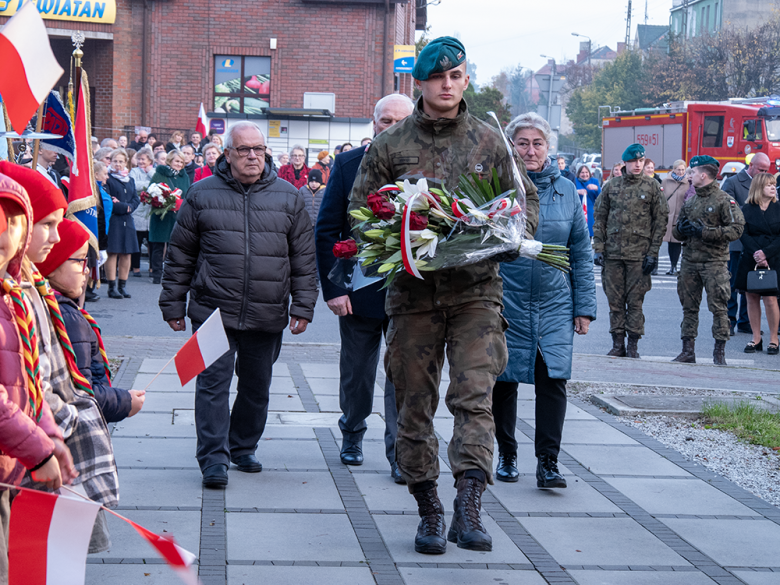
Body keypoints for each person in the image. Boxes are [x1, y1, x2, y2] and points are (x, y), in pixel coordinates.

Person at [348, 36, 539, 554]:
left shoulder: (489, 140)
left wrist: (503, 236)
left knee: (474, 397)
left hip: (477, 293)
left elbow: (523, 205)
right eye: (437, 78)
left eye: (455, 76)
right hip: (413, 296)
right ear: (421, 84)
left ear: (466, 80)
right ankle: (428, 507)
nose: (447, 85)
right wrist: (398, 236)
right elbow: (360, 213)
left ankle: (470, 506)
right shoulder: (389, 147)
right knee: (413, 402)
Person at [160, 121, 317, 489]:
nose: (252, 156)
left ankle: (243, 445)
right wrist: (173, 304)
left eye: (258, 150)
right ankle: (214, 458)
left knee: (256, 386)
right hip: (212, 311)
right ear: (227, 154)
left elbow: (304, 258)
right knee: (212, 385)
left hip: (267, 310)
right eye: (243, 150)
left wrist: (303, 305)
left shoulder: (288, 197)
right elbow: (180, 254)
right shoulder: (200, 194)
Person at [492, 112, 596, 487]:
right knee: (504, 379)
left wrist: (584, 307)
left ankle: (548, 461)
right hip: (507, 299)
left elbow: (581, 251)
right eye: (522, 143)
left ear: (548, 147)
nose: (530, 150)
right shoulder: (498, 186)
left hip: (555, 302)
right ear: (512, 147)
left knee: (553, 380)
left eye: (537, 143)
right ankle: (506, 453)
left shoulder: (567, 190)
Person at [315, 93, 414, 482]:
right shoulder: (348, 164)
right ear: (373, 124)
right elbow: (326, 230)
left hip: (410, 292)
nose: (391, 128)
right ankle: (352, 432)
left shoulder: (425, 167)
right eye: (384, 121)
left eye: (400, 121)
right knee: (357, 372)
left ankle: (398, 451)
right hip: (358, 290)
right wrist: (333, 289)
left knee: (403, 375)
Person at [0, 174, 75, 580]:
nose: (5, 234)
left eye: (14, 222)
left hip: (11, 464)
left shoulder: (11, 297)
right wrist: (40, 450)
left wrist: (51, 436)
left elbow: (29, 379)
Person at [592, 144, 667, 358]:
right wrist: (598, 247)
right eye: (634, 161)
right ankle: (618, 344)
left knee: (635, 302)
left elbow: (660, 221)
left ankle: (633, 345)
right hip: (613, 254)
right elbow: (600, 218)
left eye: (641, 161)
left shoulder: (652, 186)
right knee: (615, 301)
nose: (638, 165)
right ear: (625, 163)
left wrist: (653, 253)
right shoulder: (611, 186)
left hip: (639, 255)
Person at [672, 156, 744, 365]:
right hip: (690, 262)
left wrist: (705, 232)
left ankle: (719, 352)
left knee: (719, 308)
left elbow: (737, 229)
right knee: (688, 308)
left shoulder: (723, 200)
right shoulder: (691, 200)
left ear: (703, 175)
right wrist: (681, 231)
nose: (689, 176)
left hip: (714, 262)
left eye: (692, 172)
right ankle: (687, 351)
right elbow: (678, 231)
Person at [722, 152, 770, 335]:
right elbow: (729, 208)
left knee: (750, 284)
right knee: (733, 284)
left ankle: (746, 321)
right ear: (751, 166)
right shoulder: (733, 182)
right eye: (761, 169)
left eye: (766, 170)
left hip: (756, 242)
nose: (763, 173)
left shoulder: (766, 184)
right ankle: (729, 320)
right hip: (737, 242)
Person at [734, 172, 780, 354]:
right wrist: (757, 253)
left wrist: (766, 253)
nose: (773, 188)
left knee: (770, 299)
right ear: (759, 187)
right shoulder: (746, 209)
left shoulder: (778, 208)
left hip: (774, 257)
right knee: (751, 298)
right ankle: (755, 338)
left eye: (774, 184)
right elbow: (743, 234)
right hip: (751, 258)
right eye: (769, 185)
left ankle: (774, 339)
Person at [148, 150, 190, 284]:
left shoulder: (185, 176)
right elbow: (151, 190)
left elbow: (188, 193)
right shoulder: (160, 173)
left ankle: (173, 274)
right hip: (161, 215)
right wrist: (161, 199)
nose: (179, 164)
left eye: (182, 162)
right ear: (170, 160)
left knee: (175, 247)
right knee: (158, 246)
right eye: (177, 161)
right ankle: (156, 274)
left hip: (177, 216)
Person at [105, 148, 140, 299]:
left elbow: (136, 199)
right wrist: (123, 207)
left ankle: (122, 286)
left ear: (126, 163)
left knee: (126, 253)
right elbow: (107, 198)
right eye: (115, 161)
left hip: (128, 220)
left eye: (121, 161)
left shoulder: (130, 179)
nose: (118, 164)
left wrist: (129, 207)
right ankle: (112, 287)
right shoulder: (108, 178)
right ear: (110, 162)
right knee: (112, 252)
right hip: (114, 219)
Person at [129, 148, 156, 278]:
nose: (140, 161)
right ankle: (136, 267)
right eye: (138, 159)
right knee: (137, 242)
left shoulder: (153, 171)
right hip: (138, 211)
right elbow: (133, 185)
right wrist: (150, 186)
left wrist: (150, 173)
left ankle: (152, 268)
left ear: (150, 160)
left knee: (152, 243)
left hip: (151, 211)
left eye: (143, 159)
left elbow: (158, 183)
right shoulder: (133, 171)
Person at [661, 160, 688, 276]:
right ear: (674, 169)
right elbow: (661, 197)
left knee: (677, 242)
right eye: (678, 169)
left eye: (683, 169)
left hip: (680, 216)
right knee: (670, 242)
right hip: (669, 215)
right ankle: (672, 266)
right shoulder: (666, 181)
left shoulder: (689, 182)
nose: (681, 172)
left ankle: (675, 266)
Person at [575, 165, 600, 237]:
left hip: (591, 210)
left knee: (590, 231)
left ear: (589, 173)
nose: (584, 174)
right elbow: (570, 193)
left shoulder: (594, 181)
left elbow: (600, 197)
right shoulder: (575, 181)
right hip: (579, 210)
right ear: (579, 174)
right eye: (582, 172)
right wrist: (578, 191)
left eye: (586, 172)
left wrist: (596, 188)